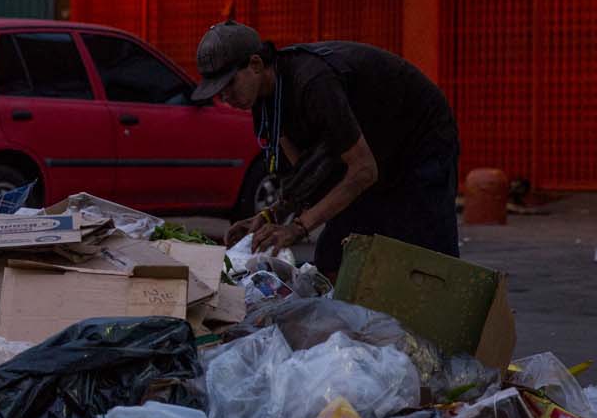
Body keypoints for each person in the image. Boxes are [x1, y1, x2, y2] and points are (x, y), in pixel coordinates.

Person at [193, 21, 459, 276]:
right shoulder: (265, 102)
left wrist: (298, 228)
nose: (224, 97)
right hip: (370, 148)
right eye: (218, 90)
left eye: (229, 84)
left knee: (426, 258)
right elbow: (305, 177)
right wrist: (271, 214)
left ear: (256, 64)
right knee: (332, 255)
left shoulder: (313, 83)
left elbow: (363, 171)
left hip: (420, 141)